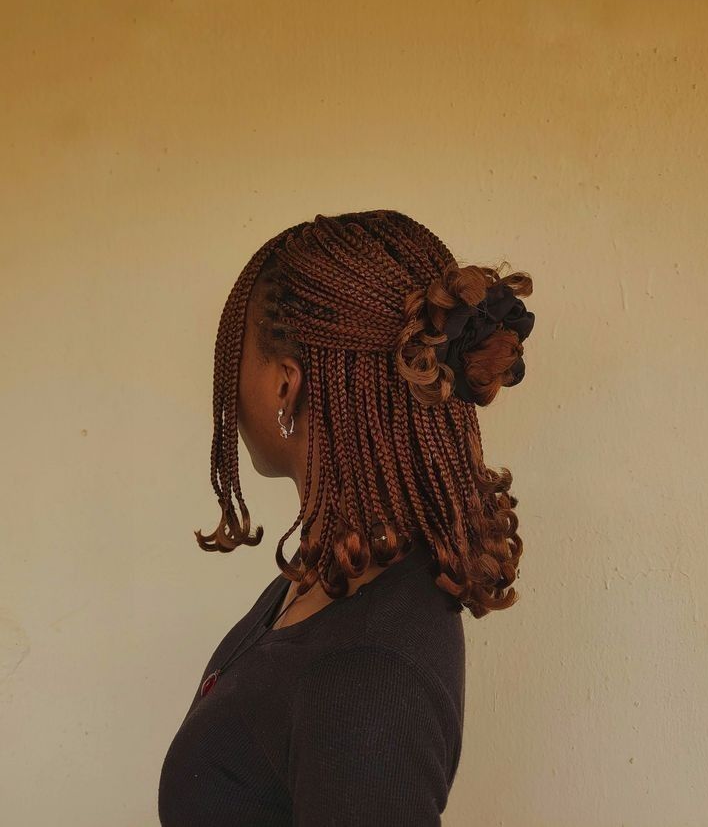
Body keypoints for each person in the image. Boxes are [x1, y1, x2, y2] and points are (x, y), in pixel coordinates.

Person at [158, 209, 535, 826]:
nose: (227, 386)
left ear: (286, 386)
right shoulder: (335, 574)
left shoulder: (367, 678)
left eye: (236, 360)